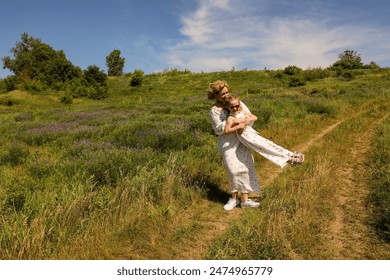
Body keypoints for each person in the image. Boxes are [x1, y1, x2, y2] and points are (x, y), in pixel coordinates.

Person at [208, 80, 260, 210]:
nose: (226, 95)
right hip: (227, 142)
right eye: (222, 93)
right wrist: (235, 122)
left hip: (242, 138)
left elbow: (248, 115)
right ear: (215, 95)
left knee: (246, 166)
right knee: (232, 170)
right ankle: (233, 198)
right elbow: (218, 128)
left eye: (227, 92)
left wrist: (244, 121)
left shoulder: (236, 102)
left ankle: (245, 200)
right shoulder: (214, 110)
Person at [224, 95, 304, 168]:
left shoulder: (242, 112)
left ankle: (291, 155)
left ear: (239, 105)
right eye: (232, 107)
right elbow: (227, 130)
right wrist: (238, 126)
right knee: (264, 148)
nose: (235, 108)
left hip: (251, 133)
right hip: (245, 136)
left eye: (237, 106)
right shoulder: (231, 118)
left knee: (269, 144)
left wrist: (248, 119)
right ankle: (289, 160)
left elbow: (255, 117)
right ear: (228, 107)